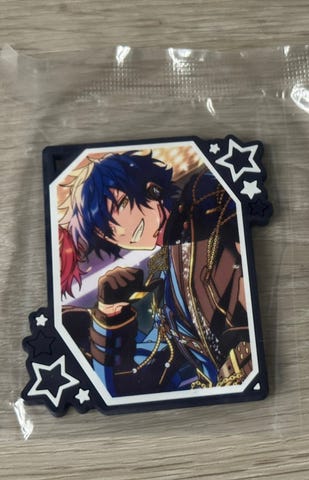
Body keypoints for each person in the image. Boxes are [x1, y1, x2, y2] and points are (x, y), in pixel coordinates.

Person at [60, 150, 252, 396]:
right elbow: (124, 387)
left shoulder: (207, 197)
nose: (121, 231)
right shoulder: (163, 278)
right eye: (106, 231)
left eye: (121, 204)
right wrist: (111, 315)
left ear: (152, 189)